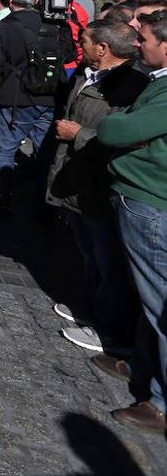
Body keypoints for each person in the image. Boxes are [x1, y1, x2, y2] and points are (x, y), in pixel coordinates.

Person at [44, 20, 148, 359]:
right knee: (90, 254)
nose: (79, 47)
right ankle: (89, 309)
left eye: (84, 42)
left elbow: (124, 137)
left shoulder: (131, 86)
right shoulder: (88, 75)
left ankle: (109, 330)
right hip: (77, 179)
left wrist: (79, 135)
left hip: (99, 182)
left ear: (102, 49)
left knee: (109, 262)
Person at [95, 10, 167, 432]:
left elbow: (113, 129)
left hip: (152, 204)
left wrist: (121, 127)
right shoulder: (156, 83)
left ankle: (160, 402)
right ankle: (142, 366)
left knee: (160, 304)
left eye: (145, 39)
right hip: (140, 198)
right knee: (148, 298)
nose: (137, 45)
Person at [0, 0, 68, 214]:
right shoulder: (55, 25)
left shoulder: (3, 28)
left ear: (11, 0)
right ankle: (44, 199)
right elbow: (70, 54)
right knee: (45, 151)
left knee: (5, 149)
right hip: (48, 96)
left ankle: (0, 197)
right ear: (37, 0)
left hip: (14, 98)